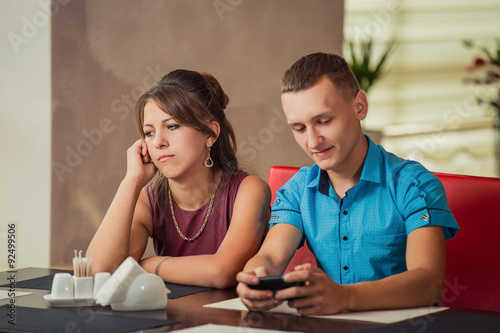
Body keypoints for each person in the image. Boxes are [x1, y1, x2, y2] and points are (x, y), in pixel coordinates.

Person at [236, 52, 460, 314]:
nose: (312, 141)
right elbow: (270, 257)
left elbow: (429, 284)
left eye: (324, 121)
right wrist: (253, 280)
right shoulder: (298, 189)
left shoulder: (414, 184)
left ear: (359, 106)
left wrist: (344, 298)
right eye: (299, 128)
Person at [87, 69, 271, 288]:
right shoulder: (149, 200)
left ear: (210, 134)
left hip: (231, 320)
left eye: (172, 126)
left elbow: (222, 273)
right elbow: (98, 271)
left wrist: (147, 266)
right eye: (149, 132)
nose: (158, 142)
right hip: (169, 318)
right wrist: (132, 181)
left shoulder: (249, 190)